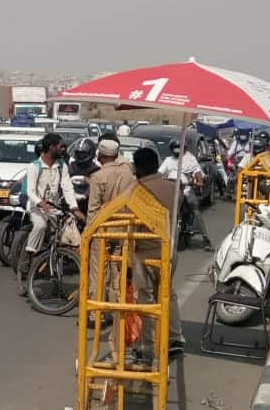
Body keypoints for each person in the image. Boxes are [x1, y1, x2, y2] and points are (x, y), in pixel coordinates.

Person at [132, 147, 186, 357]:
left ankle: (147, 344)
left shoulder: (136, 190)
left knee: (145, 298)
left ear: (138, 167)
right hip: (169, 250)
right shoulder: (174, 189)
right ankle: (174, 338)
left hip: (144, 253)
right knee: (168, 295)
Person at [86, 138, 137, 334]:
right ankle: (118, 312)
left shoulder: (98, 177)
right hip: (123, 229)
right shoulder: (129, 176)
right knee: (119, 272)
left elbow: (93, 210)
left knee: (98, 273)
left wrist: (88, 234)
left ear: (101, 155)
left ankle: (95, 314)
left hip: (102, 230)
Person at [24, 133, 84, 257]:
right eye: (61, 146)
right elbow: (30, 191)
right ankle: (29, 255)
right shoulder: (34, 166)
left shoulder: (61, 166)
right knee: (40, 225)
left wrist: (74, 208)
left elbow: (67, 188)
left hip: (55, 208)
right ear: (51, 147)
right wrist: (40, 203)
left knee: (69, 227)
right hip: (37, 208)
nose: (63, 149)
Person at [159, 139, 213, 251]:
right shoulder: (168, 161)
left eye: (179, 148)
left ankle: (205, 238)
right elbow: (160, 173)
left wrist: (198, 181)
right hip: (172, 190)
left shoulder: (190, 159)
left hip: (186, 189)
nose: (177, 151)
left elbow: (198, 172)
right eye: (175, 148)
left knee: (195, 209)